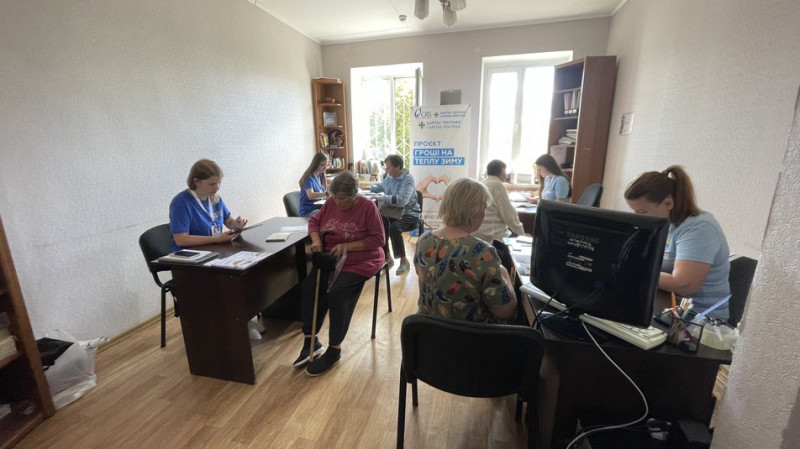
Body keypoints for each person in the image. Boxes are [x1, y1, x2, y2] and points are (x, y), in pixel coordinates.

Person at [294, 171, 385, 376]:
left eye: (343, 198)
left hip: (361, 259)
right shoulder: (331, 203)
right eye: (335, 197)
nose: (338, 202)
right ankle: (311, 340)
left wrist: (348, 246)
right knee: (309, 288)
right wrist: (316, 240)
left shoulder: (368, 207)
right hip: (332, 258)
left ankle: (334, 349)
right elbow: (314, 222)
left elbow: (378, 239)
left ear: (355, 194)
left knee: (338, 293)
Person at [169, 159, 262, 339]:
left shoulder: (215, 199)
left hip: (217, 251)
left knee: (249, 271)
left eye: (219, 183)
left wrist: (235, 224)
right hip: (193, 260)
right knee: (231, 281)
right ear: (196, 181)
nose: (217, 188)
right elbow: (180, 239)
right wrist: (215, 239)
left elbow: (227, 220)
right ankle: (234, 325)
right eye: (212, 184)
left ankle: (243, 319)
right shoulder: (181, 202)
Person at [624, 165, 731, 321]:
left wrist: (636, 271)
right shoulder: (664, 223)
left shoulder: (699, 228)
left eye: (642, 212)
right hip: (669, 305)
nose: (638, 217)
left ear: (668, 203)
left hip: (701, 319)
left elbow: (684, 285)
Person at [414, 178, 518, 323]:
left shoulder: (423, 240)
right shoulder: (483, 252)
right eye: (484, 208)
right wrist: (505, 274)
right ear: (474, 212)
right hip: (469, 335)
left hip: (427, 331)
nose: (484, 214)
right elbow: (505, 311)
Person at [369, 154, 420, 275]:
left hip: (409, 214)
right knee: (379, 224)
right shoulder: (390, 178)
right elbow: (380, 186)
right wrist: (369, 188)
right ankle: (387, 257)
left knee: (394, 227)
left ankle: (404, 261)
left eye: (389, 167)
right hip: (393, 213)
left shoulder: (408, 179)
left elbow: (402, 200)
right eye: (386, 168)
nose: (386, 170)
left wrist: (381, 197)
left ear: (398, 167)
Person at [474, 160, 526, 275]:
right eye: (505, 171)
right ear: (502, 172)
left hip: (479, 234)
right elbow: (509, 216)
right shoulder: (497, 185)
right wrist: (522, 234)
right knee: (518, 245)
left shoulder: (482, 183)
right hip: (494, 237)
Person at [298, 153, 329, 218]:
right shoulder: (308, 178)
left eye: (326, 165)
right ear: (316, 164)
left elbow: (323, 194)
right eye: (323, 165)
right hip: (308, 211)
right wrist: (327, 194)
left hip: (318, 208)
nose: (325, 168)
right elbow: (311, 195)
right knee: (328, 214)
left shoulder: (320, 176)